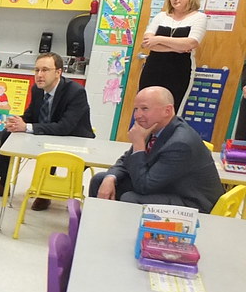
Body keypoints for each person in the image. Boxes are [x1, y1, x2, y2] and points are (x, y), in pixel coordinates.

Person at [0, 52, 94, 210]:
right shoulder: (38, 89)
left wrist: (26, 127)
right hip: (47, 132)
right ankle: (3, 183)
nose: (39, 75)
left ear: (58, 72)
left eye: (45, 70)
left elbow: (64, 127)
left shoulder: (75, 92)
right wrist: (16, 121)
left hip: (72, 138)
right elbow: (31, 115)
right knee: (8, 133)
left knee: (50, 145)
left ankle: (44, 193)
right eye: (37, 70)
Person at [89, 86, 224, 211]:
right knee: (101, 180)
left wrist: (138, 145)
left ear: (167, 110)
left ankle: (123, 233)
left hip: (192, 201)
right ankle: (99, 227)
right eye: (136, 109)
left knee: (130, 199)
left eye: (144, 109)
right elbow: (126, 161)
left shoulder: (180, 143)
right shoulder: (153, 128)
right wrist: (110, 178)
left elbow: (143, 187)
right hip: (166, 187)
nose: (137, 115)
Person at [138, 0, 207, 113]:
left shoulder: (199, 17)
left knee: (171, 111)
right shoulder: (161, 16)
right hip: (153, 69)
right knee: (145, 110)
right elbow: (147, 42)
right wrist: (177, 48)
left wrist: (158, 39)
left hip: (179, 71)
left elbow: (191, 43)